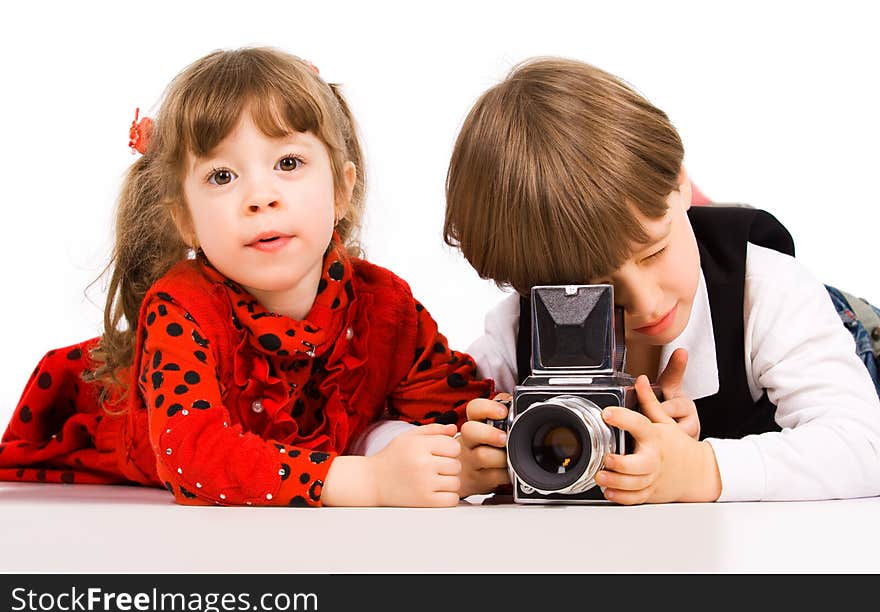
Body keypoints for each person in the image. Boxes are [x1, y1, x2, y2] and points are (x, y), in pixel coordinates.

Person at [0, 47, 493, 507]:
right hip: (114, 425)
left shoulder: (383, 303)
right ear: (185, 218)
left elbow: (451, 399)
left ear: (342, 190)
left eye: (288, 163)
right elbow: (193, 455)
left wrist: (480, 446)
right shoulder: (181, 308)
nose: (260, 196)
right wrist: (365, 482)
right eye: (222, 176)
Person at [445, 57, 880, 503]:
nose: (647, 302)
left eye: (654, 251)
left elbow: (864, 445)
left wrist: (700, 469)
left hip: (847, 331)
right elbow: (405, 422)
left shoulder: (767, 289)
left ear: (680, 183)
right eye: (600, 290)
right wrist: (465, 460)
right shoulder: (522, 327)